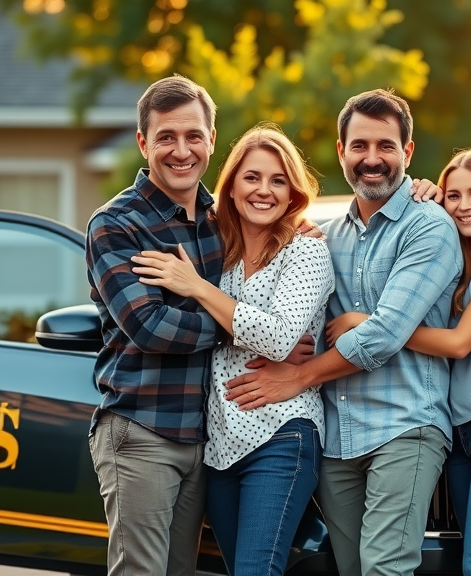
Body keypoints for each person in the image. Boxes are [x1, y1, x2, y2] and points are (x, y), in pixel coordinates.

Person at [225, 89, 463, 576]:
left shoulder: (429, 226)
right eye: (359, 146)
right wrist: (289, 345)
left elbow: (384, 335)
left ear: (408, 153)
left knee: (384, 567)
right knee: (352, 568)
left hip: (405, 425)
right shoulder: (324, 237)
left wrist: (299, 376)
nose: (371, 160)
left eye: (386, 146)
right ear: (341, 151)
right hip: (338, 436)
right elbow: (292, 312)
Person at [327, 146, 471, 576]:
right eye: (453, 196)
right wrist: (425, 197)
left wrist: (372, 323)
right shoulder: (466, 263)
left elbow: (457, 343)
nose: (464, 205)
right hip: (462, 431)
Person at [129, 124, 334, 576]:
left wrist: (200, 290)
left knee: (257, 570)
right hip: (219, 444)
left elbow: (280, 339)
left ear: (292, 192)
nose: (264, 191)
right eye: (253, 178)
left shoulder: (306, 252)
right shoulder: (212, 248)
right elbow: (172, 323)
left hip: (282, 433)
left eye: (278, 181)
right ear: (232, 185)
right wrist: (229, 312)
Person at [85, 74, 223, 576]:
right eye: (166, 136)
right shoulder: (116, 224)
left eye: (192, 136)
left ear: (211, 139)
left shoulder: (221, 220)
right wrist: (241, 325)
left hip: (205, 438)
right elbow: (149, 326)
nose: (180, 150)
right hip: (141, 431)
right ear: (143, 143)